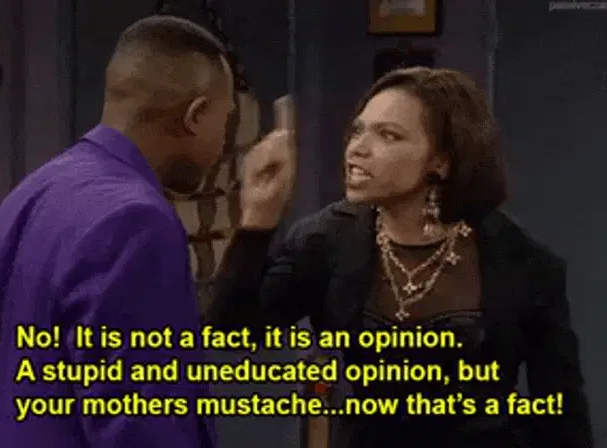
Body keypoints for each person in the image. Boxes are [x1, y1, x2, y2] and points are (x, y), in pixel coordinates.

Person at [207, 67, 593, 447]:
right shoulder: (328, 239)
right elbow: (232, 331)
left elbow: (563, 417)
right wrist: (258, 216)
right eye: (358, 131)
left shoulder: (522, 262)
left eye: (388, 135)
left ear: (441, 161)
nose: (357, 149)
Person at [0, 15, 293, 448]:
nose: (222, 144)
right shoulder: (136, 221)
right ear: (196, 115)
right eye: (225, 121)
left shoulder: (27, 195)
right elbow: (143, 424)